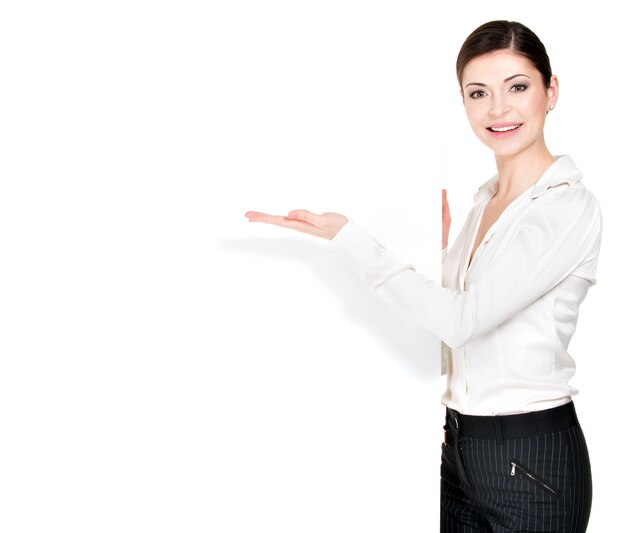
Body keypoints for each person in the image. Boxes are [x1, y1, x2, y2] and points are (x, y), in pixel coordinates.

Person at [244, 20, 601, 533]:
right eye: (478, 93)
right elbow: (447, 345)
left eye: (517, 87)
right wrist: (431, 252)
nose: (498, 109)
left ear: (552, 91)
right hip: (459, 447)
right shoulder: (483, 205)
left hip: (531, 455)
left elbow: (461, 322)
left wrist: (350, 237)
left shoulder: (566, 207)